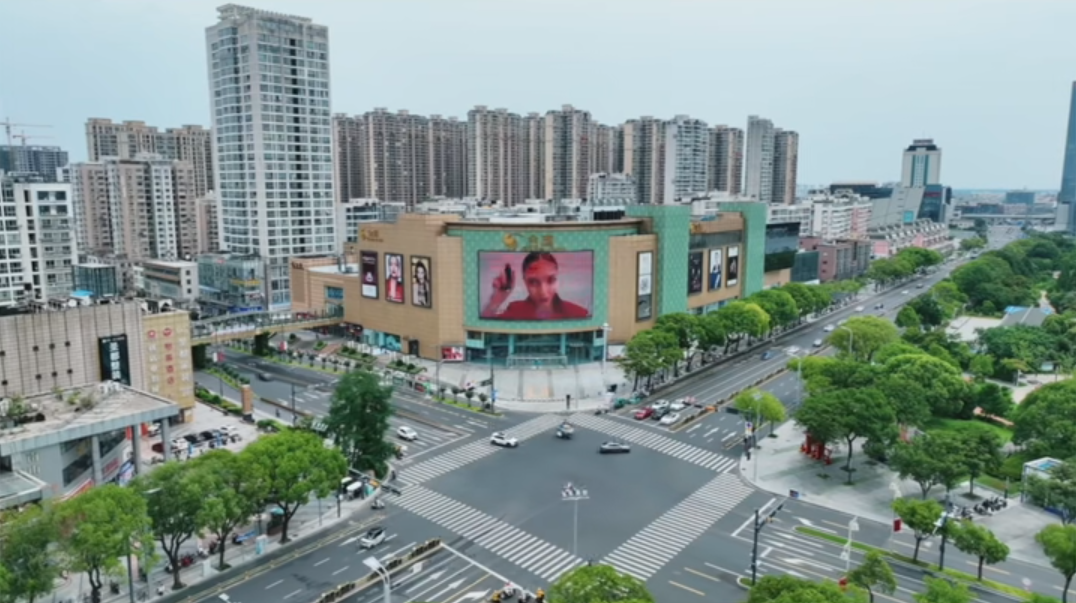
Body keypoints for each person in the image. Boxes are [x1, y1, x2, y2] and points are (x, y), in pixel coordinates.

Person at [483, 252, 589, 320]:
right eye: (533, 282)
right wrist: (497, 299)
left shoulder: (578, 313)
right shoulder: (515, 310)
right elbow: (485, 327)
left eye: (551, 280)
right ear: (525, 282)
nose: (543, 292)